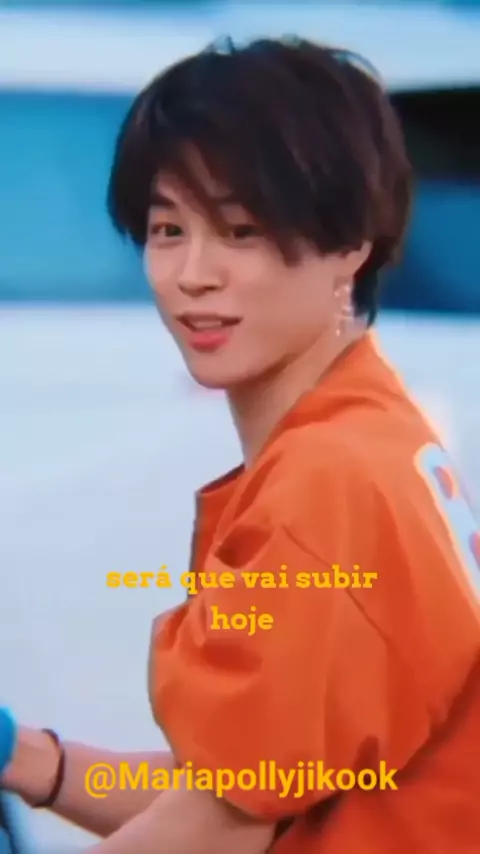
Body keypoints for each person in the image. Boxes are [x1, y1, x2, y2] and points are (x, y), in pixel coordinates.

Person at [1, 35, 480, 854]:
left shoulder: (329, 479)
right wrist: (27, 758)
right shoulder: (371, 430)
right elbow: (244, 787)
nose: (193, 273)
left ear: (350, 244)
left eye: (241, 230)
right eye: (167, 229)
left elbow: (219, 828)